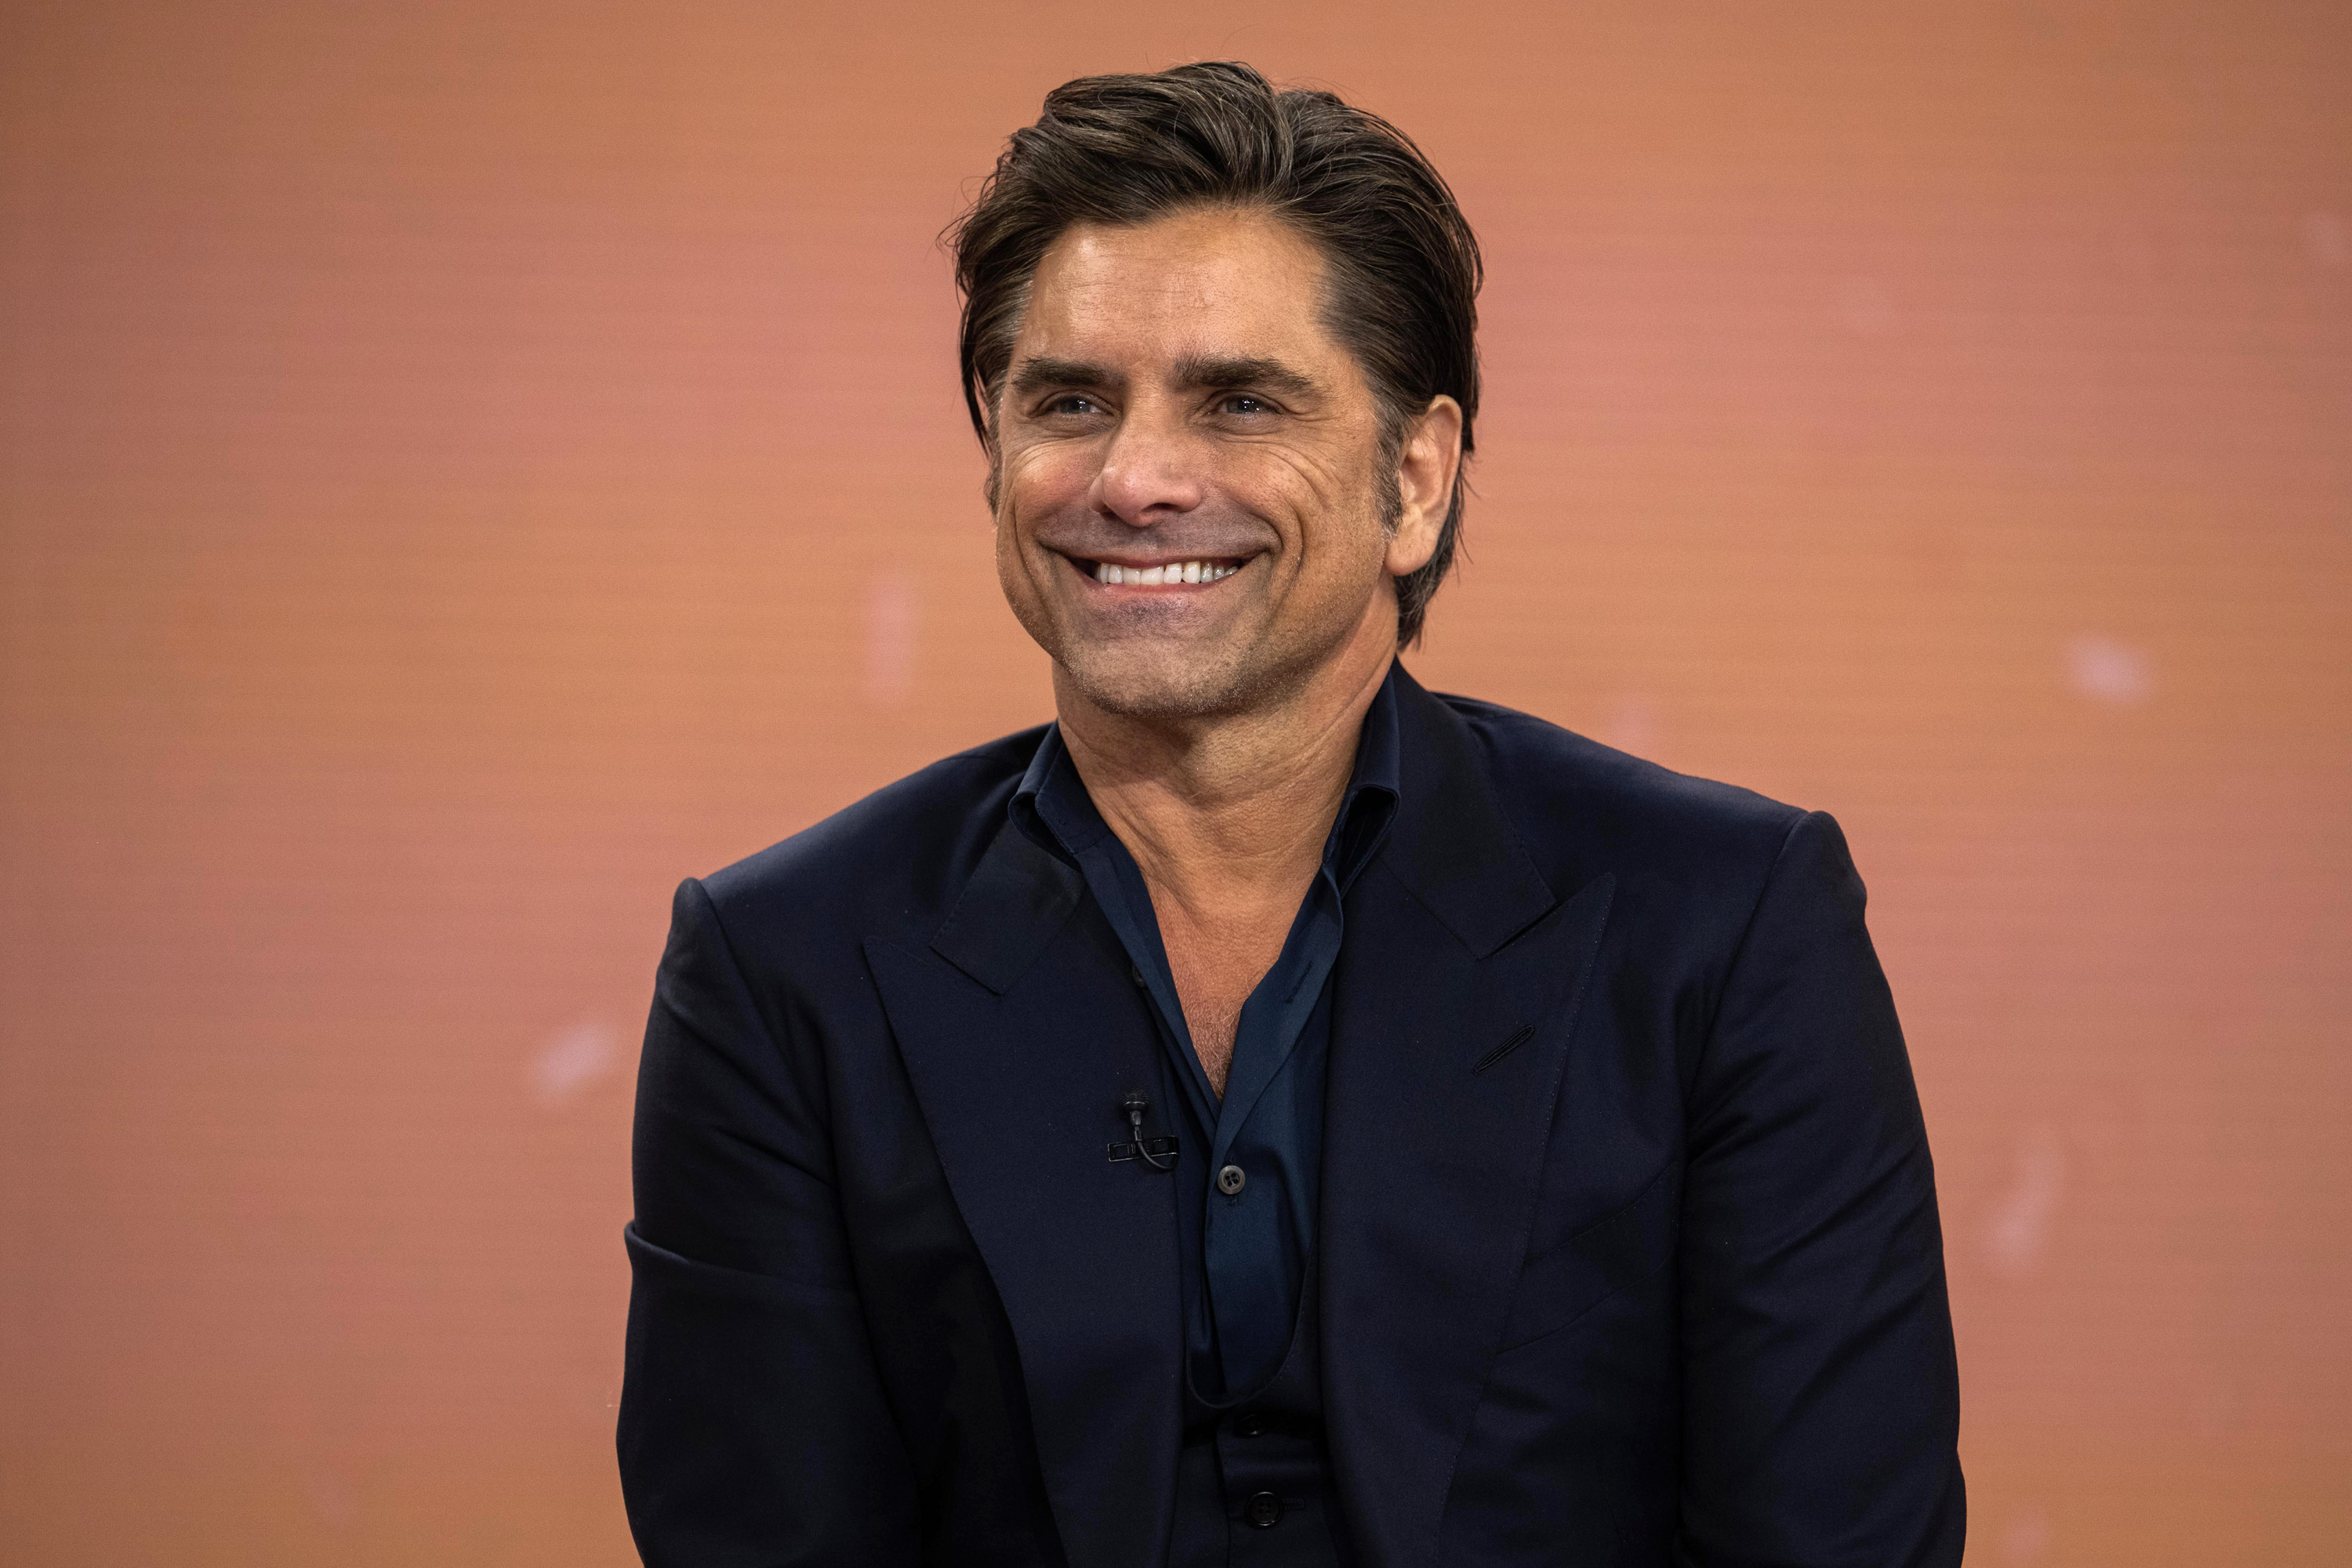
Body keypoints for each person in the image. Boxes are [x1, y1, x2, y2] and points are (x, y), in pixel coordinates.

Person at [617, 61, 1963, 1568]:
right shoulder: (781, 964)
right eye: (1069, 401)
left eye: (1239, 401)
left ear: (1414, 479)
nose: (1131, 480)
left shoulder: (1724, 924)